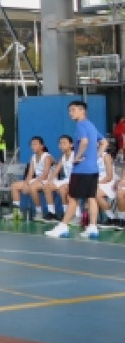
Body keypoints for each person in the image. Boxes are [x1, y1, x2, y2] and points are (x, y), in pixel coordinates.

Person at [45, 101, 101, 240]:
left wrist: (77, 156)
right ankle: (93, 228)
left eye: (73, 110)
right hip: (92, 169)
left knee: (72, 198)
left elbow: (84, 142)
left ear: (82, 111)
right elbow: (104, 142)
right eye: (69, 110)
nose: (71, 113)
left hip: (81, 169)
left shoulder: (81, 125)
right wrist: (94, 157)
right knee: (91, 198)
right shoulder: (91, 125)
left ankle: (63, 227)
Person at [7, 136, 53, 221]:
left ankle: (39, 212)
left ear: (42, 146)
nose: (33, 146)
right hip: (38, 180)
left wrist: (30, 184)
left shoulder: (47, 157)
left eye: (35, 144)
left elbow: (45, 175)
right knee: (14, 186)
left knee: (32, 187)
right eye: (32, 145)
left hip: (47, 180)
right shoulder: (33, 157)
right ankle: (17, 213)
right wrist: (26, 184)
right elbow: (30, 174)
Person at [42, 135, 75, 223]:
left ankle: (66, 213)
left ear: (71, 145)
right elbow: (56, 170)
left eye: (64, 143)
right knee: (47, 186)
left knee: (62, 189)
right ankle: (52, 213)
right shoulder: (63, 157)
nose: (61, 145)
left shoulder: (75, 155)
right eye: (60, 143)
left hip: (76, 180)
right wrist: (49, 181)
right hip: (67, 180)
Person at [95, 138, 118, 227]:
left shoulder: (106, 157)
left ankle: (112, 218)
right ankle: (94, 220)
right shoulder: (91, 157)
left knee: (95, 193)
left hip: (109, 181)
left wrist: (97, 183)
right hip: (98, 181)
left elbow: (109, 176)